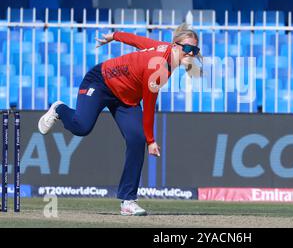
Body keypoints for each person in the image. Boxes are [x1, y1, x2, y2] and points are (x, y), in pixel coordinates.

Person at [37, 23, 202, 216]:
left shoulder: (165, 50)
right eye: (188, 49)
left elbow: (137, 41)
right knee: (81, 127)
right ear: (175, 45)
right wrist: (151, 140)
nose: (191, 54)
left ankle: (127, 201)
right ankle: (59, 108)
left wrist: (114, 36)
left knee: (136, 140)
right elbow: (149, 107)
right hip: (100, 82)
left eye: (195, 50)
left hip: (126, 99)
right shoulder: (159, 66)